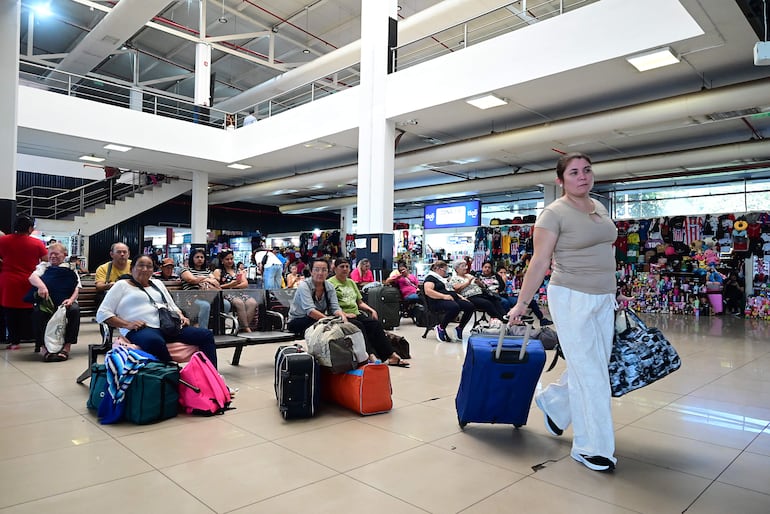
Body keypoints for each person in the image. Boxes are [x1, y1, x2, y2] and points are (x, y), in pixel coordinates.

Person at [507, 152, 618, 472]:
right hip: (571, 296)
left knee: (593, 366)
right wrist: (522, 303)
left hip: (603, 297)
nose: (582, 176)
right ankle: (592, 447)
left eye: (587, 170)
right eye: (573, 173)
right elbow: (539, 262)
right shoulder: (552, 214)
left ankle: (554, 404)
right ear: (561, 181)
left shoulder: (599, 207)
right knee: (592, 375)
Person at [96, 255, 218, 367]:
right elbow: (102, 314)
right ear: (131, 269)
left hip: (167, 325)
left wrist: (181, 315)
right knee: (155, 341)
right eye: (141, 265)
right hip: (140, 329)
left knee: (205, 335)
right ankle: (172, 376)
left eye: (149, 266)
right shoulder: (121, 285)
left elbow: (171, 305)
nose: (145, 269)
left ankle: (212, 379)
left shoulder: (157, 283)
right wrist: (127, 324)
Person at [329, 258, 409, 367]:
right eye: (342, 267)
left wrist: (371, 310)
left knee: (375, 324)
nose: (345, 269)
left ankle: (390, 355)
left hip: (356, 313)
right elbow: (331, 305)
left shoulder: (351, 282)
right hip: (342, 316)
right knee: (360, 326)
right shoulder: (330, 284)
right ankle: (369, 355)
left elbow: (359, 302)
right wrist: (344, 314)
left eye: (347, 266)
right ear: (335, 269)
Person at [0, 215, 48, 350]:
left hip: (7, 281)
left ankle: (14, 342)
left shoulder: (3, 240)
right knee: (29, 311)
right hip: (29, 280)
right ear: (30, 228)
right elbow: (46, 260)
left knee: (9, 312)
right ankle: (30, 337)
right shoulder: (37, 243)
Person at [28, 243, 81, 361]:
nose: (52, 256)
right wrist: (42, 287)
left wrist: (71, 300)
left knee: (74, 310)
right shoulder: (44, 266)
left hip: (65, 301)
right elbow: (32, 278)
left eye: (56, 254)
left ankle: (67, 347)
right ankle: (43, 348)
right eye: (50, 254)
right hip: (47, 302)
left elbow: (77, 288)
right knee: (37, 313)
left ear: (64, 255)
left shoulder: (71, 268)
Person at [286, 258, 346, 336]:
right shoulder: (304, 285)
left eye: (324, 270)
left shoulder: (330, 286)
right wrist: (330, 322)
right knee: (321, 327)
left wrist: (343, 317)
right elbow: (310, 311)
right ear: (311, 272)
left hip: (320, 319)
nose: (320, 273)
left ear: (328, 272)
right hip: (299, 320)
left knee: (355, 323)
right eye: (317, 270)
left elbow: (335, 308)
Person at [422, 260, 474, 342]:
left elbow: (449, 290)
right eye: (445, 270)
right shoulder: (430, 278)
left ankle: (460, 328)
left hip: (450, 298)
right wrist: (444, 296)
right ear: (438, 269)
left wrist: (460, 296)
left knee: (470, 306)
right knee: (454, 307)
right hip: (437, 301)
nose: (446, 272)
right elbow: (428, 291)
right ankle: (441, 327)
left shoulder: (443, 279)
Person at [211, 249, 257, 332]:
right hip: (225, 294)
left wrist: (234, 286)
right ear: (222, 260)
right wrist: (231, 285)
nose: (230, 261)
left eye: (231, 259)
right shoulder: (218, 271)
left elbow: (245, 284)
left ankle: (241, 327)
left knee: (252, 303)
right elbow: (217, 287)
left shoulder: (237, 271)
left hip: (239, 293)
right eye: (227, 259)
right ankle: (247, 328)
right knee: (239, 303)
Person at [179, 249, 221, 330]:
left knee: (226, 304)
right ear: (192, 258)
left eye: (202, 257)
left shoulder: (207, 271)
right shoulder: (185, 270)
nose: (200, 259)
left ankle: (218, 329)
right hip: (191, 298)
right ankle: (203, 331)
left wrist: (202, 279)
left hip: (208, 295)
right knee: (205, 305)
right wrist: (208, 279)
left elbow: (216, 283)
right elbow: (192, 280)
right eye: (197, 257)